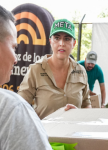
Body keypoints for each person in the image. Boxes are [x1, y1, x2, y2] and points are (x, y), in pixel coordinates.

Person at [0, 5, 52, 150]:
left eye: (67, 39)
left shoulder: (80, 70)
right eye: (13, 47)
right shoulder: (12, 109)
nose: (16, 59)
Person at [18, 18, 92, 119]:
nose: (61, 43)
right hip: (44, 133)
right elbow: (20, 106)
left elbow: (86, 104)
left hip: (74, 133)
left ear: (74, 43)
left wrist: (79, 115)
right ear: (50, 41)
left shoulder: (81, 71)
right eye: (57, 38)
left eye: (67, 39)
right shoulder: (36, 70)